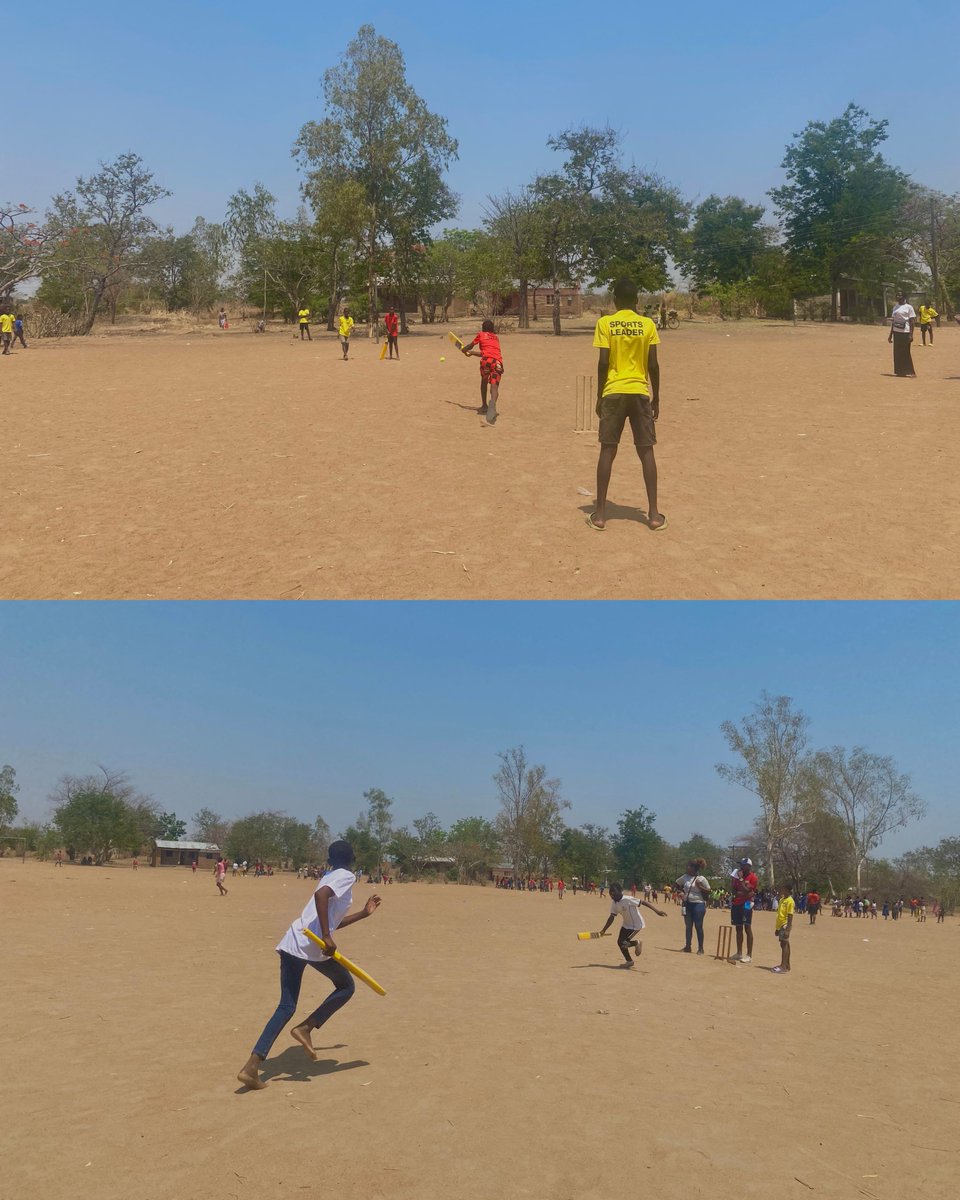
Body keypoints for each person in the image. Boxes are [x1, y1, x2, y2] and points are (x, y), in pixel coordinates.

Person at [237, 840, 381, 1090]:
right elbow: (320, 897)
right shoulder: (345, 875)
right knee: (345, 986)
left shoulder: (329, 874)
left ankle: (251, 1067)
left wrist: (363, 914)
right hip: (312, 945)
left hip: (293, 941)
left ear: (329, 858)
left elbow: (330, 917)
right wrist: (326, 936)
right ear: (352, 858)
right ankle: (306, 1027)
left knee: (286, 1006)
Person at [588, 277, 664, 532]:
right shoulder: (647, 324)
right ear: (637, 301)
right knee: (646, 451)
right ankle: (653, 515)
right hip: (639, 392)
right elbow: (653, 365)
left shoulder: (605, 323)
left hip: (613, 393)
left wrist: (600, 396)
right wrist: (657, 397)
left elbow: (602, 363)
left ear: (615, 301)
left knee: (608, 450)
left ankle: (599, 515)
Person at [598, 883, 667, 967]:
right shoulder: (614, 903)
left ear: (620, 892)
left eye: (614, 894)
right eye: (611, 895)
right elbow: (612, 917)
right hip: (626, 924)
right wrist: (603, 930)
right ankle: (629, 961)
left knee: (624, 943)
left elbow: (643, 902)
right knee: (620, 942)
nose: (612, 896)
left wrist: (657, 911)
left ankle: (637, 943)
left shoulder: (628, 899)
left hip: (636, 925)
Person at [460, 320, 504, 426]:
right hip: (498, 362)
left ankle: (484, 405)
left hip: (487, 362)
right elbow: (491, 353)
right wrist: (471, 352)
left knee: (484, 381)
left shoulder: (481, 335)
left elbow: (471, 346)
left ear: (483, 328)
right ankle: (492, 408)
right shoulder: (496, 338)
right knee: (494, 388)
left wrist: (465, 350)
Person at [676, 858, 711, 954]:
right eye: (687, 865)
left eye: (689, 866)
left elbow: (709, 891)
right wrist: (681, 891)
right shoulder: (684, 877)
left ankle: (701, 948)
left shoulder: (701, 879)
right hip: (687, 904)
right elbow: (677, 883)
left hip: (698, 904)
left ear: (694, 868)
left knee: (698, 926)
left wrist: (700, 886)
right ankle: (688, 946)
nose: (687, 867)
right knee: (688, 926)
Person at [730, 857, 758, 963]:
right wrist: (735, 879)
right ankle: (739, 952)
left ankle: (749, 955)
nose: (740, 867)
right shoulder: (737, 876)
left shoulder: (753, 877)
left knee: (747, 927)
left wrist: (741, 880)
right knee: (738, 928)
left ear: (749, 866)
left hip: (747, 904)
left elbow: (748, 891)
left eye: (743, 865)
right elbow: (734, 890)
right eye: (740, 865)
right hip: (737, 903)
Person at [888, 293, 916, 377]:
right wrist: (890, 335)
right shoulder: (895, 307)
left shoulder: (909, 307)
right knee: (897, 352)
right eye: (897, 295)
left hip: (905, 332)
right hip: (897, 332)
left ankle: (910, 371)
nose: (898, 297)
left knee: (905, 352)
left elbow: (912, 321)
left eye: (900, 295)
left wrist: (911, 334)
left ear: (904, 297)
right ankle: (899, 371)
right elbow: (894, 321)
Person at [773, 883, 795, 974]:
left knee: (784, 944)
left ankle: (783, 966)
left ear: (787, 890)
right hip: (780, 924)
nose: (781, 890)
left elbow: (790, 915)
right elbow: (779, 914)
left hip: (785, 924)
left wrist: (788, 929)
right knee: (784, 944)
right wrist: (777, 928)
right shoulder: (782, 900)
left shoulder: (790, 901)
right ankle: (787, 965)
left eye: (782, 888)